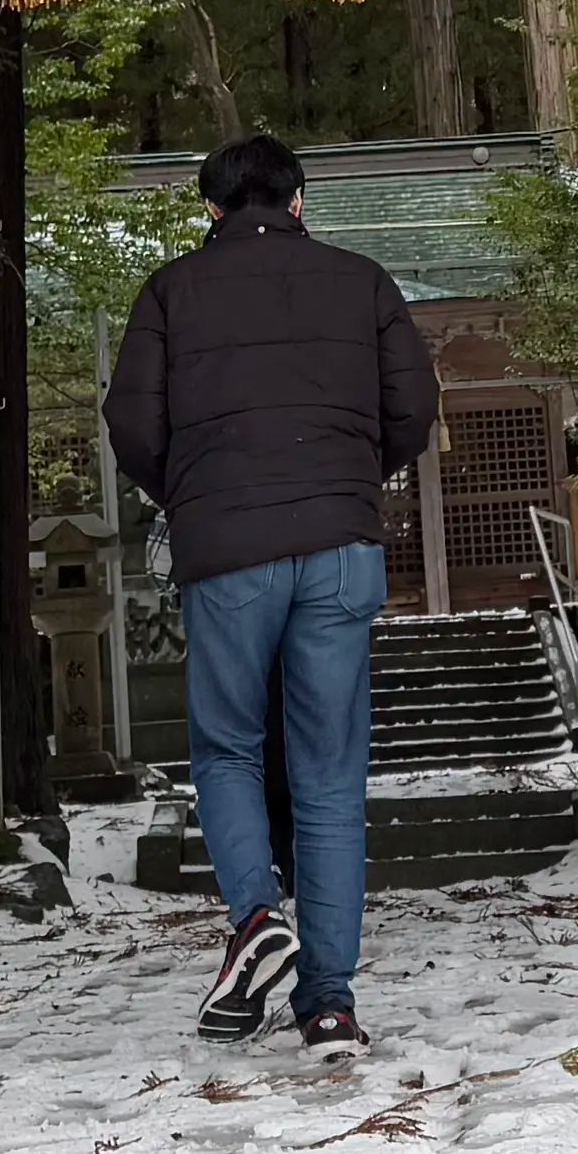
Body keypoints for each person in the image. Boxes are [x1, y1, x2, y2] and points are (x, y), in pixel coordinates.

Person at [104, 133, 433, 1054]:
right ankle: (328, 1003)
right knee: (330, 773)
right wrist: (348, 475)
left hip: (226, 550)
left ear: (211, 210)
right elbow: (413, 407)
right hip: (341, 546)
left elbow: (131, 421)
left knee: (228, 749)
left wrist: (194, 493)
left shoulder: (170, 291)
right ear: (298, 201)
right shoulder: (362, 281)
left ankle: (255, 916)